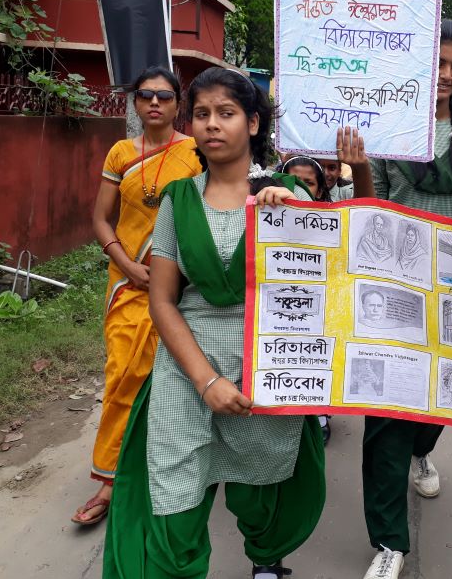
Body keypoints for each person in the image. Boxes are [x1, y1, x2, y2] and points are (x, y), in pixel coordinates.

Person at [102, 67, 349, 579]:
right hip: (186, 369)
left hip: (266, 368)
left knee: (260, 495)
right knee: (175, 498)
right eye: (202, 114)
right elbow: (163, 301)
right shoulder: (178, 199)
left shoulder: (291, 196)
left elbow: (330, 287)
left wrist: (291, 220)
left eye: (226, 113)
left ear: (253, 123)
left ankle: (266, 559)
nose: (212, 124)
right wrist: (206, 380)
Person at [362, 18, 452, 579]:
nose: (445, 74)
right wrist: (356, 164)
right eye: (436, 63)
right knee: (384, 414)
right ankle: (388, 541)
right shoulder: (386, 129)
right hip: (392, 286)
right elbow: (368, 204)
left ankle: (423, 448)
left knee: (445, 398)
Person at [74, 66, 200, 526]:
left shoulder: (196, 152)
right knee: (123, 374)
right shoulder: (121, 152)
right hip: (127, 283)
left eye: (164, 96)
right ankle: (109, 480)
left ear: (177, 103)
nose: (154, 103)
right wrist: (126, 264)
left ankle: (172, 469)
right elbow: (101, 219)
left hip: (181, 287)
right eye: (146, 95)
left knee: (175, 380)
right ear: (134, 101)